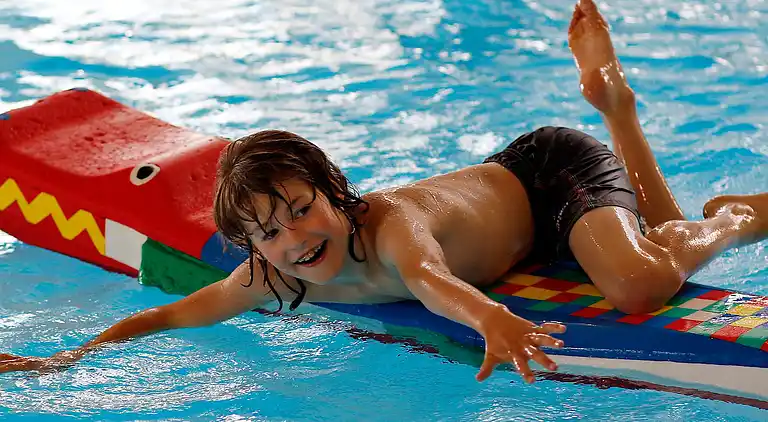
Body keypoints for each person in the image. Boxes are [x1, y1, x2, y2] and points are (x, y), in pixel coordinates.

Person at [1, 0, 766, 383]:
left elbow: (434, 284)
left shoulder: (392, 229)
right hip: (529, 230)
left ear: (339, 196)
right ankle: (639, 151)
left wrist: (496, 320)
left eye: (304, 210)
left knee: (635, 283)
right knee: (652, 244)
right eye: (271, 233)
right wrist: (69, 357)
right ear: (254, 246)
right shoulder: (267, 272)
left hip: (548, 177)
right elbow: (174, 312)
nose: (296, 239)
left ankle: (722, 211)